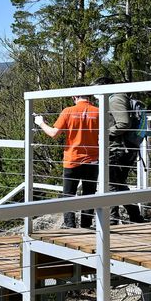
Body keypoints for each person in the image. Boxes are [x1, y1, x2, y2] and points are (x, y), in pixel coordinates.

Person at [35, 94, 100, 229]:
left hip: (72, 159)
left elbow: (53, 133)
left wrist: (40, 122)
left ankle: (70, 227)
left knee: (68, 195)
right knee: (89, 195)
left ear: (74, 96)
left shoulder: (68, 111)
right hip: (92, 160)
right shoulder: (98, 111)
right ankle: (86, 227)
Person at [93, 76, 145, 224]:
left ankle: (112, 221)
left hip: (118, 149)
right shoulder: (119, 98)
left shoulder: (115, 99)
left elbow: (123, 123)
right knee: (119, 184)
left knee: (110, 184)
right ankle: (135, 216)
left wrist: (104, 132)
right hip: (124, 148)